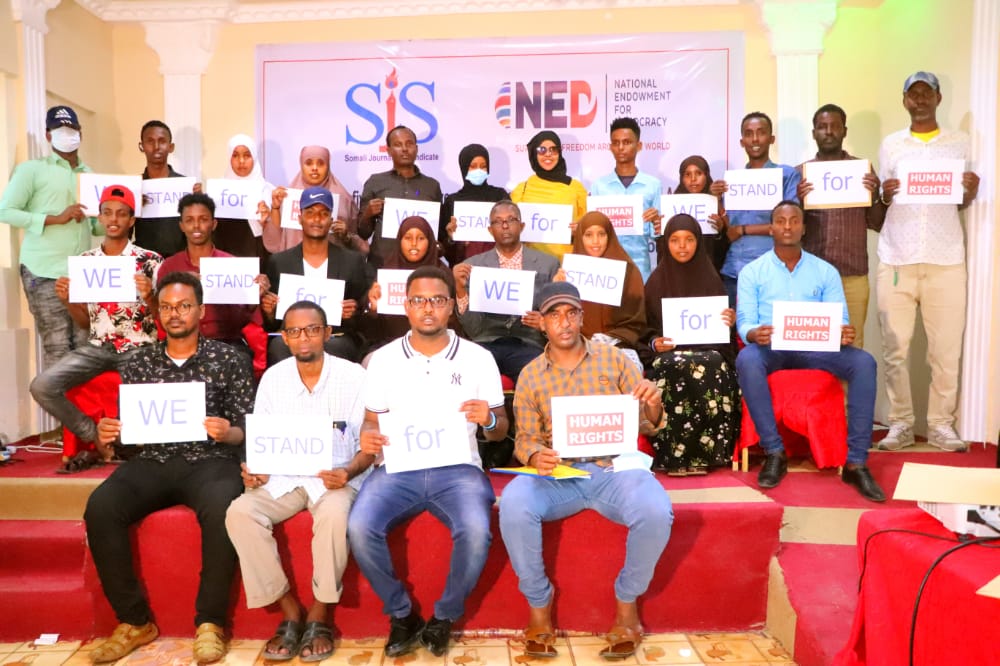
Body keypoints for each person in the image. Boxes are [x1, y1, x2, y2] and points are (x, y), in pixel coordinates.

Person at [84, 271, 254, 664]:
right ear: (157, 312)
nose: (175, 314)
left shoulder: (229, 359)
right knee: (102, 506)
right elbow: (130, 440)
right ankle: (134, 620)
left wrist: (229, 433)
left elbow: (249, 427)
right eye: (167, 307)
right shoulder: (139, 362)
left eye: (183, 306)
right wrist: (108, 434)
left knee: (222, 508)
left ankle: (210, 622)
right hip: (154, 460)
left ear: (201, 310)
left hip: (210, 461)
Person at [499, 281, 672, 660]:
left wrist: (654, 404)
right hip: (559, 475)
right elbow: (524, 438)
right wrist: (533, 456)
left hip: (614, 470)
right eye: (554, 315)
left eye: (571, 313)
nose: (564, 322)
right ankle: (539, 610)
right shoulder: (530, 375)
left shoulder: (615, 360)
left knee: (657, 511)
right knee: (512, 503)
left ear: (581, 317)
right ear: (541, 324)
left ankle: (627, 607)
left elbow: (648, 422)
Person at [347, 265, 509, 658]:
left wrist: (487, 418)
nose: (428, 309)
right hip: (397, 467)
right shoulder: (382, 360)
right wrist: (369, 439)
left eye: (437, 300)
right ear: (406, 306)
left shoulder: (478, 357)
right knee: (359, 526)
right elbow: (372, 423)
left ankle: (444, 616)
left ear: (451, 306)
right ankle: (401, 615)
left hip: (458, 469)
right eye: (419, 300)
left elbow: (500, 430)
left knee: (475, 529)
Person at [226, 300, 370, 663]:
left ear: (327, 333)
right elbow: (261, 441)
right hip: (284, 476)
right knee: (239, 513)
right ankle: (290, 609)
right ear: (285, 338)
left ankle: (320, 612)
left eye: (311, 329)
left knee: (335, 516)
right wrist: (253, 469)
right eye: (293, 331)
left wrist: (349, 472)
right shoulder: (274, 378)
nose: (303, 337)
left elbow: (369, 441)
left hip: (336, 476)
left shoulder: (354, 376)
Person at [735, 200, 884, 502]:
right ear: (771, 227)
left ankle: (856, 461)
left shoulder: (825, 271)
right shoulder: (752, 272)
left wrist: (844, 332)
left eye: (793, 221)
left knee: (864, 362)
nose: (787, 226)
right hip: (773, 348)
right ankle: (774, 451)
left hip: (816, 348)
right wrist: (753, 333)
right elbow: (745, 322)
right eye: (780, 220)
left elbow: (840, 319)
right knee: (747, 358)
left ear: (803, 228)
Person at [875, 72, 979, 452]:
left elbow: (961, 201)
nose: (919, 100)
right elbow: (883, 199)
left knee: (945, 350)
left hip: (946, 258)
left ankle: (940, 425)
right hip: (897, 256)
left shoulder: (960, 144)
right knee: (895, 348)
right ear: (904, 100)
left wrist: (969, 192)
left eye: (926, 93)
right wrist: (885, 194)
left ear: (938, 97)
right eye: (912, 94)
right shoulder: (891, 145)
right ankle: (900, 424)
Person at [29, 185, 161, 471]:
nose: (114, 219)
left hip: (138, 347)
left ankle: (126, 445)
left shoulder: (150, 260)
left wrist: (150, 295)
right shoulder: (86, 262)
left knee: (144, 386)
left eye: (121, 214)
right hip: (98, 346)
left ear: (131, 219)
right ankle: (94, 437)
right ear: (99, 217)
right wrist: (67, 301)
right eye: (107, 213)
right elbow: (84, 322)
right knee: (42, 386)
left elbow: (161, 320)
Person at [0, 105, 100, 372]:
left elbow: (97, 227)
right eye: (60, 129)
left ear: (81, 132)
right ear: (48, 135)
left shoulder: (89, 174)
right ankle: (64, 415)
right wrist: (56, 218)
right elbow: (5, 210)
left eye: (72, 129)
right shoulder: (31, 170)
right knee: (57, 347)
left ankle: (83, 412)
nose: (67, 134)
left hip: (81, 274)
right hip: (43, 271)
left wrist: (127, 210)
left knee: (85, 345)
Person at [643, 214, 740, 474]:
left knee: (713, 363)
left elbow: (725, 339)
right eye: (674, 240)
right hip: (669, 354)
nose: (682, 246)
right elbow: (644, 331)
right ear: (665, 243)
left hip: (709, 351)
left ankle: (704, 455)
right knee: (669, 364)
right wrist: (654, 343)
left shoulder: (711, 279)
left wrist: (729, 321)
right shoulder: (654, 283)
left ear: (699, 242)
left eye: (689, 239)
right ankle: (673, 455)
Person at [796, 104, 887, 348]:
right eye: (822, 127)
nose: (829, 132)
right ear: (813, 133)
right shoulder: (801, 175)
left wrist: (876, 194)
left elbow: (877, 223)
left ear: (844, 131)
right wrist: (798, 203)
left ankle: (847, 390)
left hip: (853, 276)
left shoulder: (862, 171)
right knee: (813, 346)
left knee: (851, 346)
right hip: (810, 276)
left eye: (835, 126)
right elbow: (789, 230)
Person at [261, 187, 372, 365]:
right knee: (278, 346)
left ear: (331, 220)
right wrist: (269, 312)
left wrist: (352, 312)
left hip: (336, 336)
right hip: (294, 337)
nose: (316, 219)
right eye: (310, 212)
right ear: (300, 218)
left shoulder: (352, 262)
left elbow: (361, 320)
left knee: (338, 347)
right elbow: (273, 325)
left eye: (323, 213)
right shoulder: (279, 262)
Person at [453, 201, 559, 381]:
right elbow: (473, 329)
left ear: (522, 226)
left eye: (511, 219)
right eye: (498, 221)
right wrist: (460, 289)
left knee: (541, 376)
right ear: (489, 229)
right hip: (486, 342)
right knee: (467, 376)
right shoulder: (472, 266)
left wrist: (543, 321)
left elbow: (558, 314)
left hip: (529, 343)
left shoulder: (548, 264)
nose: (504, 225)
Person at [158, 192, 269, 357]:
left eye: (203, 219)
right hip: (180, 343)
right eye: (189, 220)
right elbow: (162, 316)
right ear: (181, 225)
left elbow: (241, 323)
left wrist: (252, 299)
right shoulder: (169, 267)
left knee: (241, 358)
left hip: (226, 342)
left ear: (214, 223)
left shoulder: (233, 264)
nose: (196, 226)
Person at [716, 112, 801, 306]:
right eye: (748, 133)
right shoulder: (733, 181)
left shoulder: (786, 175)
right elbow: (729, 227)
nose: (754, 139)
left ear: (771, 139)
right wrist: (717, 199)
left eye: (761, 133)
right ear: (741, 141)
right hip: (735, 270)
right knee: (737, 332)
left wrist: (744, 230)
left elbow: (790, 224)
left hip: (775, 270)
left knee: (771, 333)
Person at [557, 211, 646, 352]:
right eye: (588, 235)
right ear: (580, 237)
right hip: (575, 345)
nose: (595, 241)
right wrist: (558, 289)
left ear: (609, 236)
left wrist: (612, 338)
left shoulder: (629, 271)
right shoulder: (568, 272)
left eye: (601, 234)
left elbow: (635, 321)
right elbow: (559, 318)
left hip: (619, 345)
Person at [358, 126, 443, 268]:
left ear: (416, 148)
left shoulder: (432, 186)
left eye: (409, 144)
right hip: (382, 264)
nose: (404, 149)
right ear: (389, 150)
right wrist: (368, 214)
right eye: (398, 145)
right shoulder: (375, 182)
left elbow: (437, 234)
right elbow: (362, 233)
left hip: (421, 267)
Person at [589, 117, 662, 281]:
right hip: (605, 268)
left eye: (627, 142)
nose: (621, 147)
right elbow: (594, 230)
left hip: (640, 268)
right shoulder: (599, 186)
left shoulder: (653, 185)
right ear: (610, 147)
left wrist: (657, 223)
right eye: (616, 143)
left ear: (639, 146)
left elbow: (656, 235)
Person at [364, 215, 448, 351]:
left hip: (434, 343)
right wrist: (373, 308)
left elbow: (452, 321)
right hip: (389, 345)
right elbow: (371, 330)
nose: (414, 243)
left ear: (430, 242)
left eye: (421, 238)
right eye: (408, 238)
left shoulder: (443, 275)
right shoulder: (387, 272)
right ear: (399, 241)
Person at [266, 145, 367, 255]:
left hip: (333, 266)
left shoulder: (344, 200)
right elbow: (275, 243)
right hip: (293, 267)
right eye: (309, 163)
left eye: (320, 163)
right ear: (301, 165)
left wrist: (346, 235)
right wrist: (275, 208)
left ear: (328, 165)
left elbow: (360, 246)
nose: (314, 168)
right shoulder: (286, 197)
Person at [510, 130, 587, 260]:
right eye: (542, 150)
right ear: (534, 153)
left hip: (567, 265)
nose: (548, 155)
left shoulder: (575, 187)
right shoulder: (522, 189)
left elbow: (588, 225)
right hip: (532, 264)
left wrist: (580, 229)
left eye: (553, 149)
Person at [441, 143, 509, 265]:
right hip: (464, 269)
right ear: (464, 167)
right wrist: (452, 239)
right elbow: (446, 250)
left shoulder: (499, 196)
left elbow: (511, 233)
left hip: (498, 267)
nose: (479, 171)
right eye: (473, 166)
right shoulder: (452, 201)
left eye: (483, 166)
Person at [134, 120, 190, 258]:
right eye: (150, 141)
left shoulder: (185, 185)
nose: (156, 146)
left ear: (171, 147)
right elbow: (124, 232)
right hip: (144, 263)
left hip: (179, 261)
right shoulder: (134, 186)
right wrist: (133, 208)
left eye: (162, 141)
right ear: (141, 146)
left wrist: (198, 201)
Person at [663, 155, 728, 271]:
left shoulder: (717, 202)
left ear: (706, 176)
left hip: (709, 271)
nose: (693, 179)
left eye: (698, 173)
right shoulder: (671, 206)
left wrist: (720, 231)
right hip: (678, 271)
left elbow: (725, 246)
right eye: (687, 174)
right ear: (681, 178)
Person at [217, 134, 272, 261]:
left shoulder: (268, 190)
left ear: (254, 157)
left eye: (247, 155)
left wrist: (268, 220)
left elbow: (277, 236)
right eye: (235, 155)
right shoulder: (218, 191)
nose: (241, 161)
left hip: (262, 253)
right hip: (227, 254)